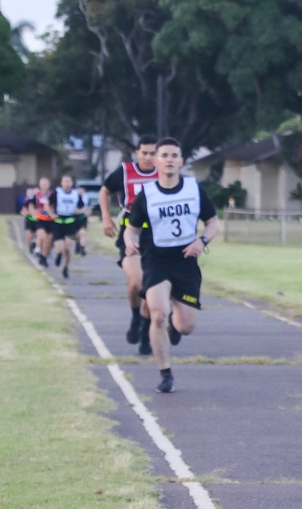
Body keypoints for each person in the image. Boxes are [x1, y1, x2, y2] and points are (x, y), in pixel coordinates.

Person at [123, 137, 220, 393]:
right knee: (157, 314)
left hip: (186, 261)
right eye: (164, 155)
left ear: (181, 161)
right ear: (156, 161)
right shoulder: (147, 195)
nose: (169, 160)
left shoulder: (193, 189)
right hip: (156, 259)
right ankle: (165, 373)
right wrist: (129, 243)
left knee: (186, 327)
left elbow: (213, 222)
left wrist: (202, 240)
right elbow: (131, 230)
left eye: (174, 155)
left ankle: (174, 327)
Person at [99, 135, 158, 353]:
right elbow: (105, 191)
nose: (149, 157)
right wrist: (106, 217)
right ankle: (135, 317)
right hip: (130, 232)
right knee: (136, 283)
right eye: (145, 153)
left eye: (153, 153)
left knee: (151, 288)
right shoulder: (125, 172)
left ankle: (145, 333)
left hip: (157, 236)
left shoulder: (165, 173)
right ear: (137, 153)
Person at [51, 174, 87, 279]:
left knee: (67, 248)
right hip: (58, 222)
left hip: (70, 222)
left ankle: (65, 268)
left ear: (71, 183)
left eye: (68, 182)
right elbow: (48, 204)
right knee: (59, 248)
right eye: (64, 181)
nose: (66, 184)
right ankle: (58, 256)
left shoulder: (76, 194)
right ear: (61, 183)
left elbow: (81, 208)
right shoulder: (56, 193)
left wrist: (79, 211)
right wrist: (51, 214)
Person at [27, 177, 54, 265]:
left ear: (49, 185)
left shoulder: (52, 195)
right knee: (42, 235)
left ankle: (44, 256)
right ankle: (38, 249)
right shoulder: (36, 195)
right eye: (42, 184)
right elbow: (30, 206)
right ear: (40, 185)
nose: (44, 186)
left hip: (50, 220)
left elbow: (56, 206)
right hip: (40, 219)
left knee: (48, 240)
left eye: (46, 184)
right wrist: (33, 215)